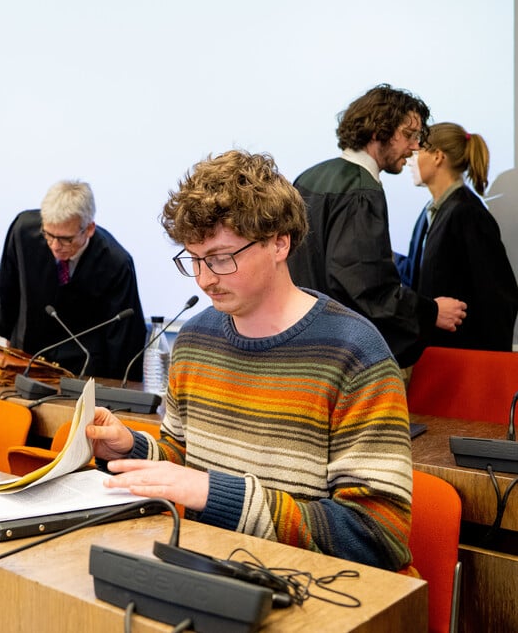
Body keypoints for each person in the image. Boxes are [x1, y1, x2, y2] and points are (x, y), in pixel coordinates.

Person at [86, 150, 414, 572]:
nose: (205, 279)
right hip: (215, 574)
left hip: (318, 590)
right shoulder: (195, 338)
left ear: (279, 242)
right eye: (194, 260)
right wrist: (131, 446)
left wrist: (219, 494)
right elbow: (186, 461)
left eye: (222, 258)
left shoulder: (354, 352)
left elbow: (376, 536)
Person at [287, 84, 467, 368]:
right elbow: (364, 287)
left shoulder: (309, 177)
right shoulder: (362, 191)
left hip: (301, 345)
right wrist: (431, 311)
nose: (416, 146)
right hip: (343, 356)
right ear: (378, 131)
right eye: (408, 135)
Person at [0, 180, 147, 380]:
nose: (55, 246)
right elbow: (8, 287)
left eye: (66, 239)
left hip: (84, 366)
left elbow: (124, 336)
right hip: (30, 353)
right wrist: (7, 339)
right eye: (48, 235)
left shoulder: (115, 262)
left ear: (89, 228)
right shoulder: (23, 231)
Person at [396, 123, 518, 352]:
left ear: (437, 157)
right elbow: (423, 277)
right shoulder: (429, 212)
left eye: (417, 152)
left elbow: (498, 298)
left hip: (462, 359)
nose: (410, 160)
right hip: (436, 355)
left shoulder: (468, 213)